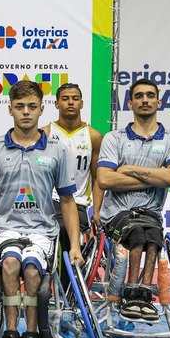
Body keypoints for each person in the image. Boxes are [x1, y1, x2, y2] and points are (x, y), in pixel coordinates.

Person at [0, 80, 83, 338]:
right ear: (10, 110)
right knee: (9, 266)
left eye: (32, 106)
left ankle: (31, 336)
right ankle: (10, 334)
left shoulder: (58, 150)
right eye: (20, 107)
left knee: (31, 269)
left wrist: (76, 245)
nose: (26, 112)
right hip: (6, 229)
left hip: (43, 231)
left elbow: (67, 201)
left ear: (42, 108)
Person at [97, 78, 170, 322]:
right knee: (137, 233)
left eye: (150, 95)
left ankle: (144, 294)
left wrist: (128, 169)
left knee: (152, 234)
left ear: (158, 102)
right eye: (139, 96)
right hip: (117, 213)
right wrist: (157, 177)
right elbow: (105, 179)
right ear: (130, 103)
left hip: (151, 214)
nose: (145, 100)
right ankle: (133, 293)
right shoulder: (113, 138)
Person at [43, 83, 104, 234]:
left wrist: (96, 211)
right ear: (56, 104)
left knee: (69, 230)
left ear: (81, 103)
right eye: (65, 98)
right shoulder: (44, 134)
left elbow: (97, 178)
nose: (70, 102)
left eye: (75, 98)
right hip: (49, 201)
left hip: (78, 202)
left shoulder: (94, 136)